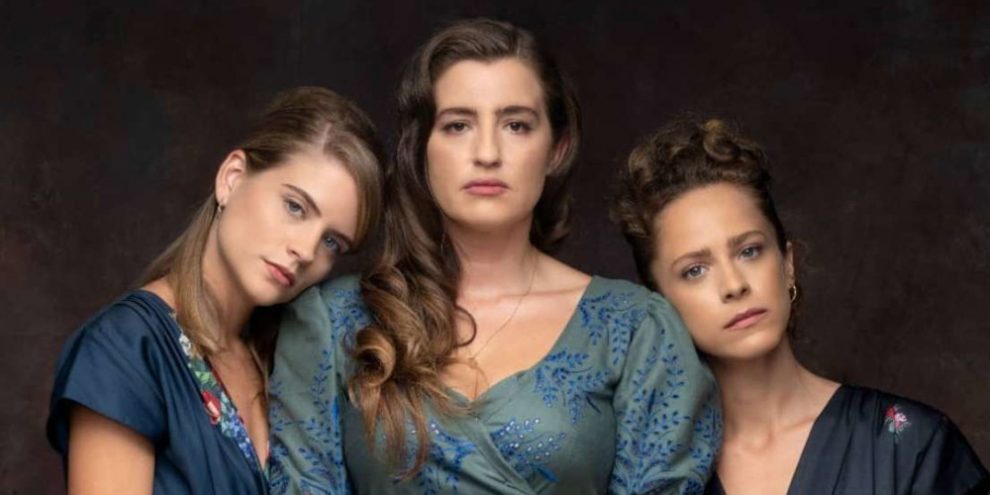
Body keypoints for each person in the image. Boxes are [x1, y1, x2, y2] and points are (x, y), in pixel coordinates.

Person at [268, 19, 721, 495]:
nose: (487, 153)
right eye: (458, 125)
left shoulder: (635, 329)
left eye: (516, 125)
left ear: (557, 149)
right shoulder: (334, 320)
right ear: (421, 149)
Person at [611, 117, 989, 494]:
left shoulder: (912, 447)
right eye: (695, 270)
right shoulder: (642, 475)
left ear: (787, 262)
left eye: (749, 251)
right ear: (659, 302)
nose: (734, 285)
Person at [46, 86, 384, 494]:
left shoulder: (286, 359)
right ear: (232, 178)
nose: (306, 250)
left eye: (332, 242)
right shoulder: (126, 348)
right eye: (295, 207)